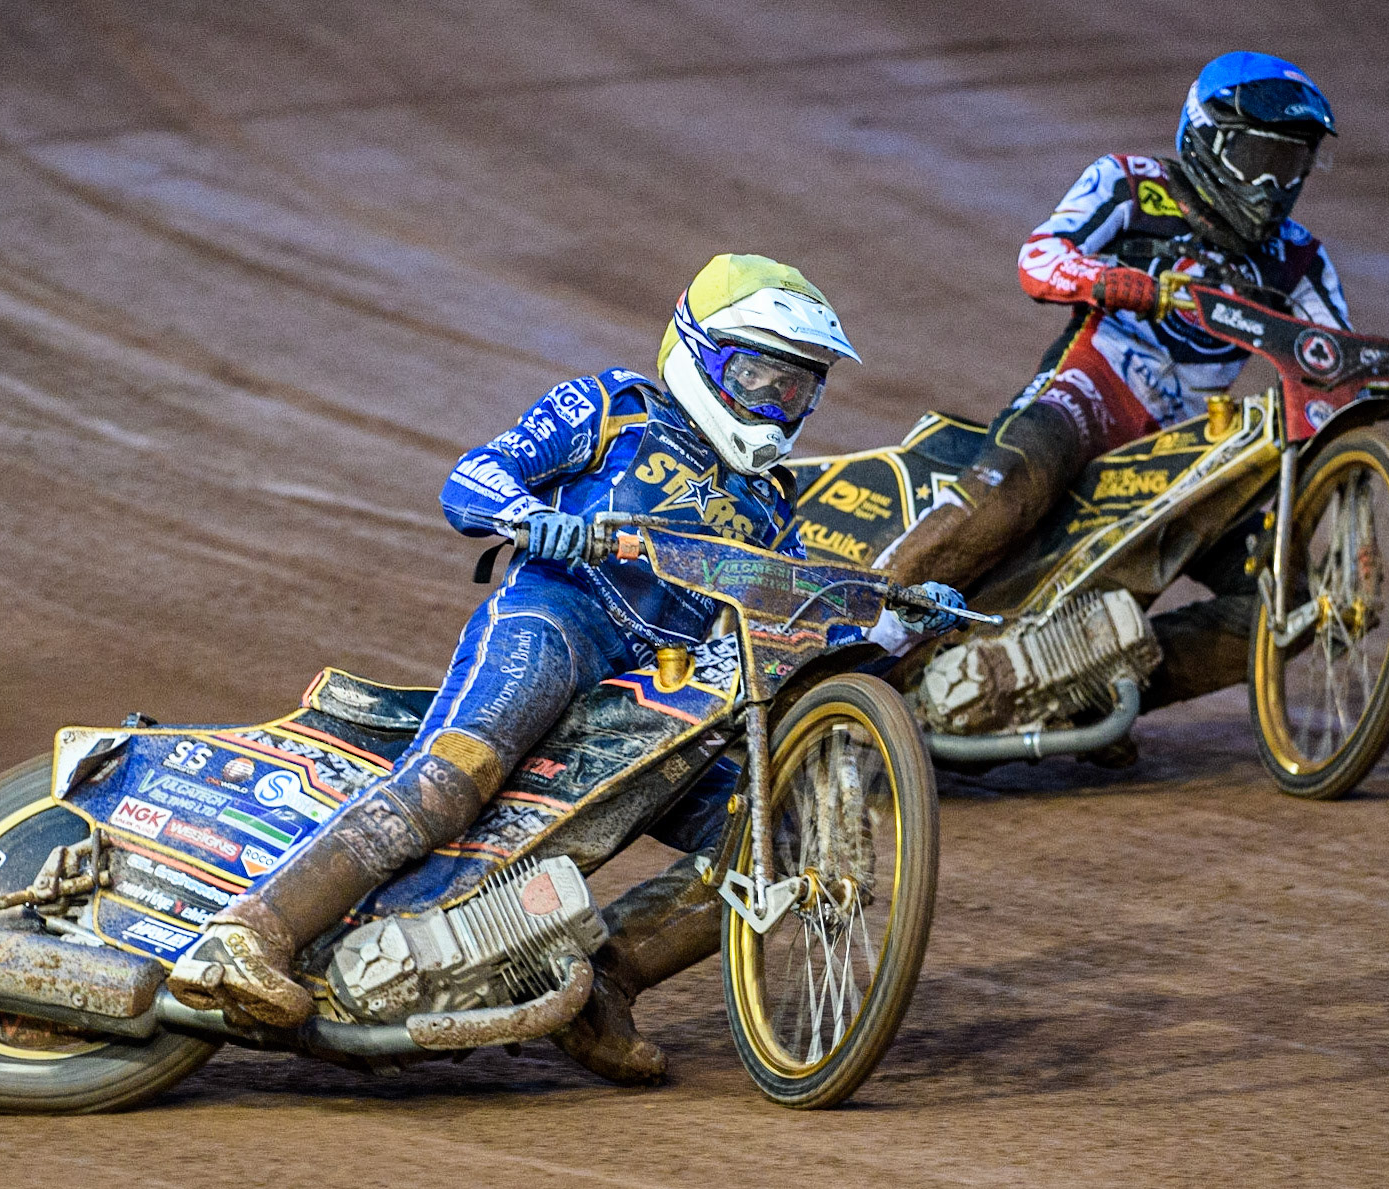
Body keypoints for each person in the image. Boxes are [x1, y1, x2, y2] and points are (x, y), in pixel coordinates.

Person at [168, 253, 964, 1083]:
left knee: (774, 843)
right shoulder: (614, 406)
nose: (776, 404)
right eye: (759, 375)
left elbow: (806, 609)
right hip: (559, 617)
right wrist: (527, 515)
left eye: (796, 388)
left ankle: (603, 989)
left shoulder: (770, 506)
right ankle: (249, 934)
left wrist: (898, 610)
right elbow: (473, 474)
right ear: (698, 351)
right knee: (453, 777)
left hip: (661, 695)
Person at [882, 51, 1389, 712]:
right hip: (1093, 388)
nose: (1274, 184)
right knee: (1014, 493)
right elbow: (1039, 257)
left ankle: (1093, 693)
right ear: (1207, 137)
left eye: (1292, 165)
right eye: (1260, 158)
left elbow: (1331, 365)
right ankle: (854, 630)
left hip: (1197, 452)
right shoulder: (1129, 183)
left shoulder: (1300, 258)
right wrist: (1102, 280)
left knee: (1290, 603)